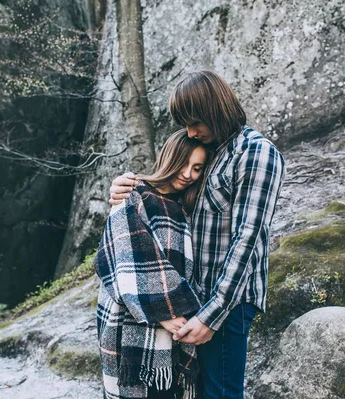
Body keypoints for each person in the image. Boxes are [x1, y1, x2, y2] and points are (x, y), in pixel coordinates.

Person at [109, 70, 285, 399]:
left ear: (214, 110)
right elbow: (170, 202)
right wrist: (128, 188)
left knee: (221, 394)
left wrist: (211, 316)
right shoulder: (213, 154)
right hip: (196, 301)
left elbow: (248, 240)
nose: (190, 131)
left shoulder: (257, 153)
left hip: (227, 304)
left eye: (194, 121)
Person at [95, 129, 211, 399]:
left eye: (197, 168)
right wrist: (165, 312)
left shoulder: (186, 208)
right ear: (169, 157)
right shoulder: (135, 193)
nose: (188, 174)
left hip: (176, 326)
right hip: (130, 320)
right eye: (184, 163)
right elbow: (125, 256)